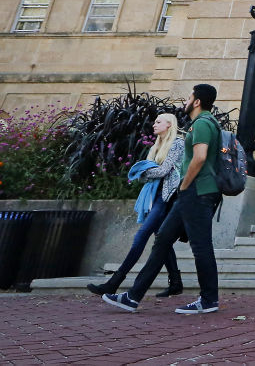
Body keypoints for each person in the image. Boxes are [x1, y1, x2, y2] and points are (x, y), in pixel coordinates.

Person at [103, 84, 222, 314]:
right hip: (191, 194)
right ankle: (133, 297)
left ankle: (209, 300)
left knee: (201, 247)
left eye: (189, 97)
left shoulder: (203, 123)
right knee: (162, 241)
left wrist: (185, 185)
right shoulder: (207, 122)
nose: (186, 101)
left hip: (196, 192)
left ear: (197, 101)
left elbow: (200, 157)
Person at [88, 113, 185, 298]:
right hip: (154, 196)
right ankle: (176, 282)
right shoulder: (157, 146)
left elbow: (163, 170)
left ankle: (114, 282)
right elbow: (147, 173)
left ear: (169, 124)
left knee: (141, 236)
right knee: (161, 240)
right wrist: (146, 172)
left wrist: (145, 171)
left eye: (158, 122)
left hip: (165, 198)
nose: (154, 124)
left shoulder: (177, 143)